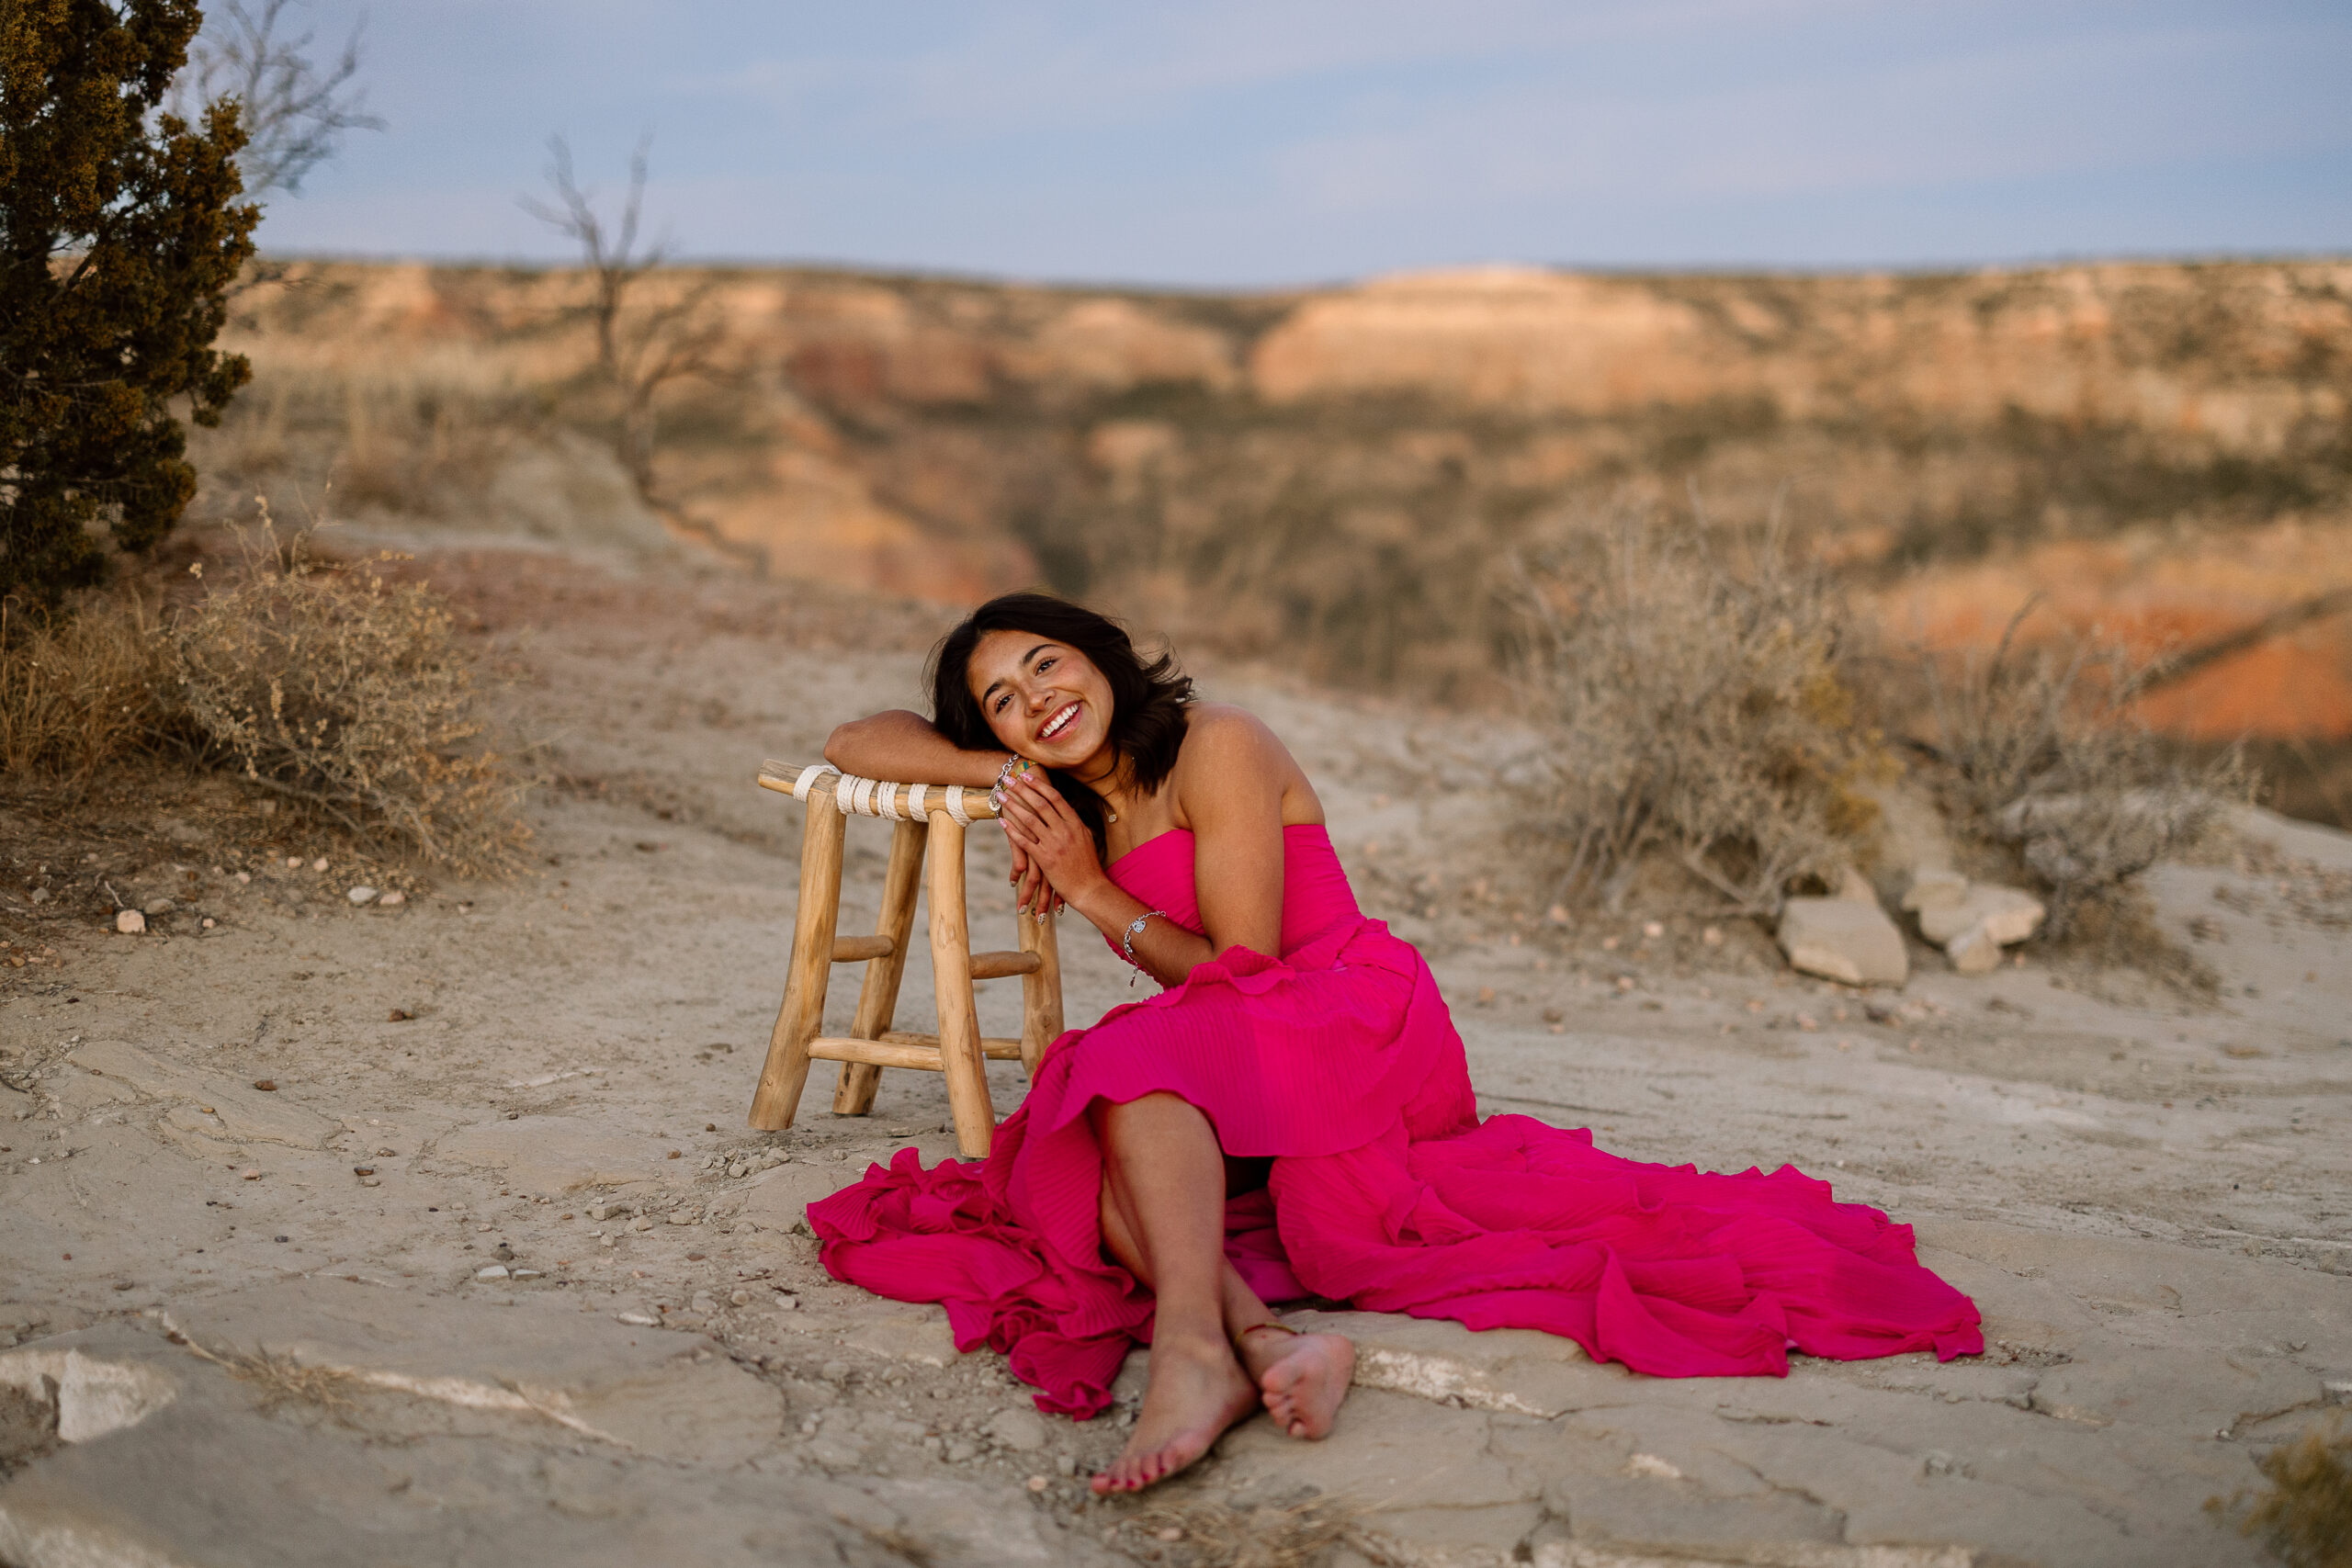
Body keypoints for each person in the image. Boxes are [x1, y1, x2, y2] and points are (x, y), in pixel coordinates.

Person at [810, 592, 1982, 1496]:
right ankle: (1254, 1344)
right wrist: (1007, 773)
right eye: (1003, 698)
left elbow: (1246, 966)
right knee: (1099, 1104)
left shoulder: (1218, 742)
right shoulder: (1064, 785)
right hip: (1240, 1038)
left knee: (1110, 1070)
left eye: (1045, 665)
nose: (1035, 699)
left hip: (1348, 1012)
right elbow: (855, 737)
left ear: (1099, 653)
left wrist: (1089, 891)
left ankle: (1188, 1351)